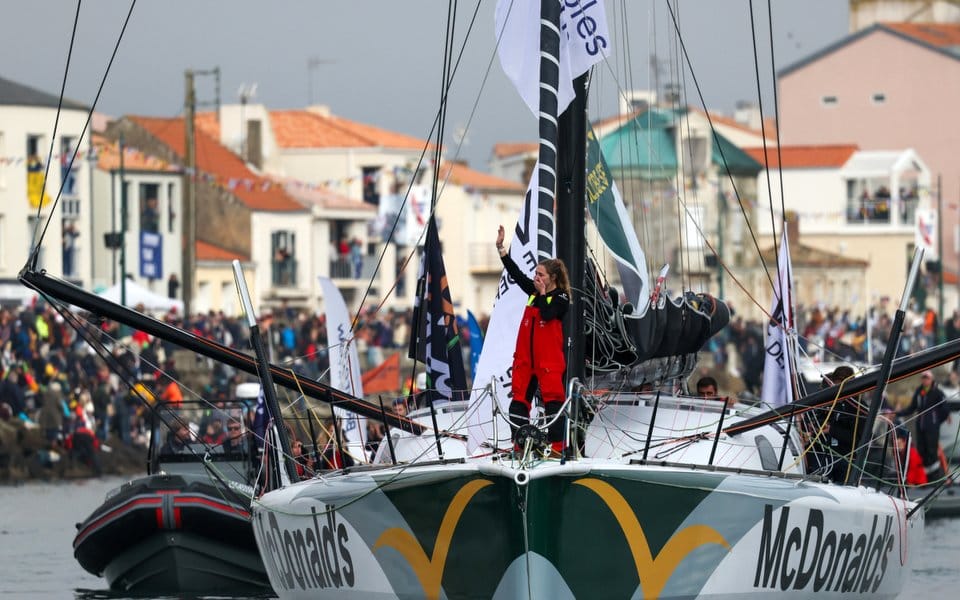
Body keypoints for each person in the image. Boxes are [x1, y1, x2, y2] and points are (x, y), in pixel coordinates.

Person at [496, 225, 570, 455]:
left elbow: (548, 315)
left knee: (553, 403)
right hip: (526, 360)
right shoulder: (535, 292)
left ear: (552, 278)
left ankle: (557, 447)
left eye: (541, 275)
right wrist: (502, 250)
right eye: (536, 274)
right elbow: (516, 275)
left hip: (548, 362)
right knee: (517, 403)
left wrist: (542, 294)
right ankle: (519, 444)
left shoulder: (560, 297)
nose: (536, 278)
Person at [897, 370, 951, 481]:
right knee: (921, 452)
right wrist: (897, 413)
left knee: (932, 452)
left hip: (932, 429)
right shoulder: (919, 391)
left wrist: (935, 422)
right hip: (920, 427)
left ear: (931, 380)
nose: (925, 380)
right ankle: (923, 479)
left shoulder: (937, 392)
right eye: (923, 378)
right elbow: (912, 408)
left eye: (927, 378)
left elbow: (945, 410)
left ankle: (934, 479)